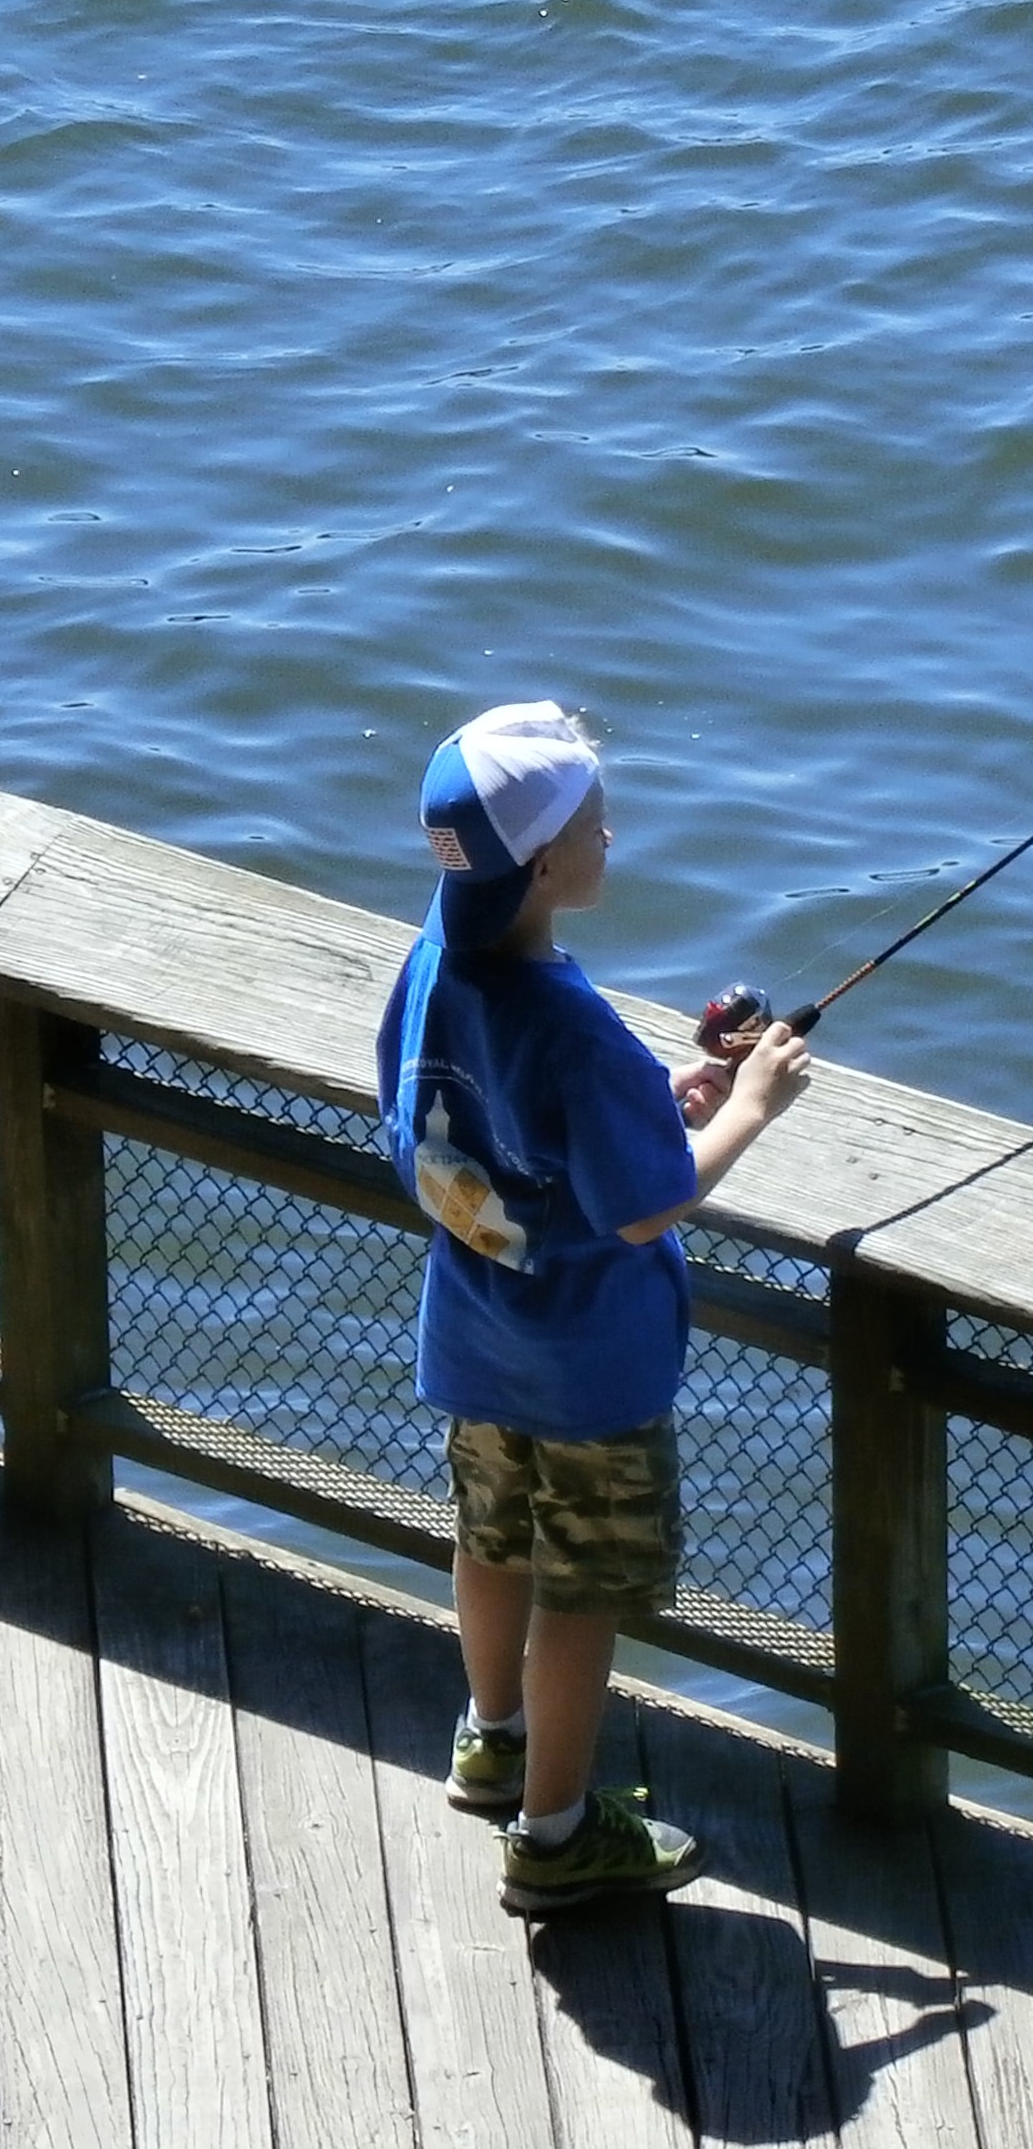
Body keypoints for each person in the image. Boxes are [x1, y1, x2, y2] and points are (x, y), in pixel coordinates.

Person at [376, 701, 809, 1916]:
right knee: (578, 1593)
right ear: (546, 863)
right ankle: (556, 1836)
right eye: (595, 825)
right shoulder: (570, 1027)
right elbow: (643, 1207)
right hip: (592, 1371)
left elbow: (448, 1125)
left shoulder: (432, 962)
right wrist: (746, 1104)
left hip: (472, 1332)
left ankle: (490, 1737)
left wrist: (645, 1090)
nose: (611, 840)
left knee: (486, 1538)